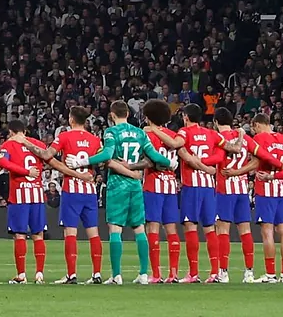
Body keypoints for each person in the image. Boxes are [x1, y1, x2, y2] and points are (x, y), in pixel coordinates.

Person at [69, 100, 173, 285]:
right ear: (128, 114)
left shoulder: (111, 132)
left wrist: (80, 162)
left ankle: (116, 275)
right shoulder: (140, 133)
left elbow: (107, 155)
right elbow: (154, 156)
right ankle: (143, 274)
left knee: (115, 229)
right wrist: (169, 162)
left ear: (112, 115)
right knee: (140, 229)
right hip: (135, 185)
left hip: (118, 185)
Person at [25, 106, 103, 284]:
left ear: (71, 120)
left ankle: (72, 274)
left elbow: (46, 154)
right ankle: (97, 274)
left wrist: (27, 143)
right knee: (94, 233)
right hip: (89, 191)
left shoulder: (65, 136)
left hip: (72, 190)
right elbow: (104, 160)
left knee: (70, 232)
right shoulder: (94, 139)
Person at [152, 103, 225, 282]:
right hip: (208, 186)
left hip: (192, 186)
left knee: (190, 226)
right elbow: (225, 152)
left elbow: (175, 143)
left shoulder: (185, 133)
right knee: (209, 228)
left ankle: (193, 273)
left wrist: (155, 130)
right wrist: (208, 165)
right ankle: (215, 272)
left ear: (185, 117)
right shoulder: (211, 133)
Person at [0, 117, 49, 284]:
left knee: (20, 235)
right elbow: (47, 158)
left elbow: (0, 165)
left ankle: (21, 275)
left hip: (19, 196)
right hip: (37, 194)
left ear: (11, 132)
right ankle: (39, 274)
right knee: (38, 235)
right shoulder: (39, 144)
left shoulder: (8, 145)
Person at [214, 107, 277, 283]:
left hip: (225, 188)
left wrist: (231, 171)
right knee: (245, 230)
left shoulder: (219, 138)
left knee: (223, 229)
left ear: (216, 122)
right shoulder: (246, 138)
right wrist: (241, 171)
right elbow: (259, 159)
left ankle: (223, 273)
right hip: (242, 189)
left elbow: (216, 160)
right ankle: (249, 272)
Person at [139, 100, 183, 283]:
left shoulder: (146, 135)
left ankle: (156, 274)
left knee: (153, 228)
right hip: (171, 185)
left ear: (148, 117)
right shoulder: (173, 135)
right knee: (172, 229)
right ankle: (173, 273)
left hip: (153, 185)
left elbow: (147, 160)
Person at [247, 114, 283, 282]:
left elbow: (256, 160)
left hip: (265, 190)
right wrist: (277, 175)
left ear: (257, 124)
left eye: (254, 128)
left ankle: (271, 274)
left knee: (267, 232)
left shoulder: (259, 138)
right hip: (282, 189)